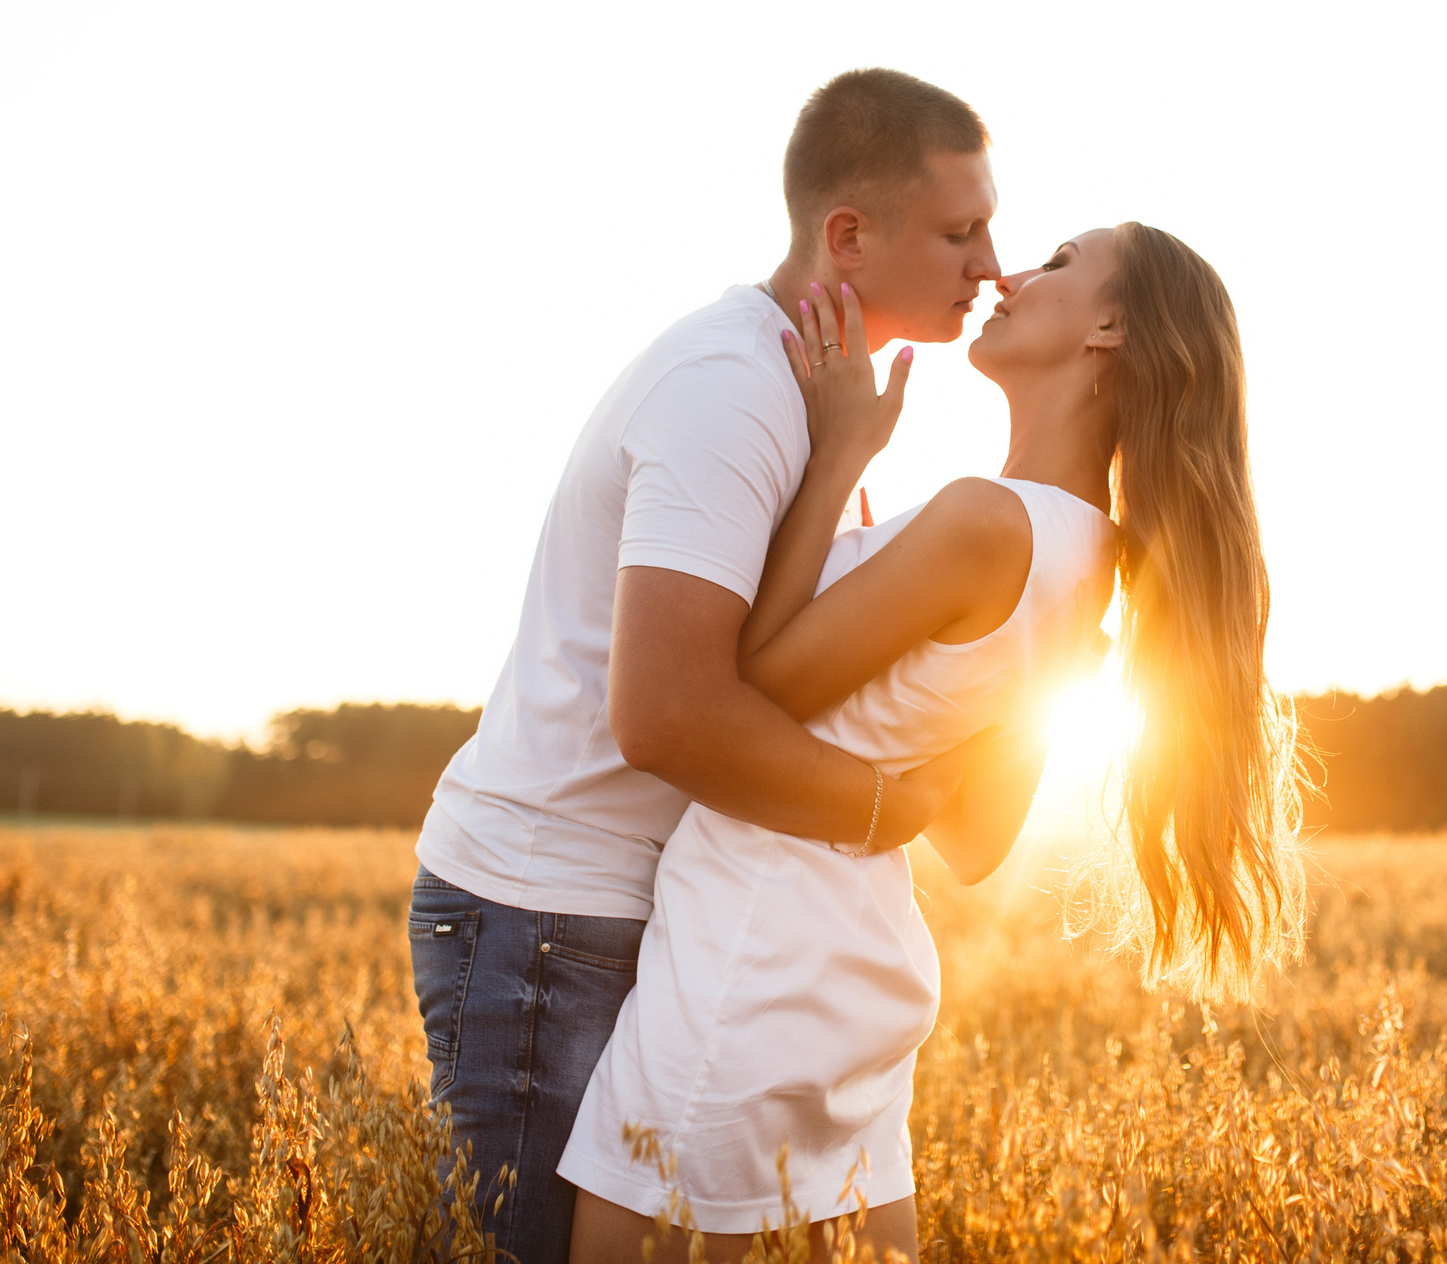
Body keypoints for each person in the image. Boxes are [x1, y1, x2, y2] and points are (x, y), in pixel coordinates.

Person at [561, 224, 1308, 1264]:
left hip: (743, 960)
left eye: (1057, 262)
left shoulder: (983, 523)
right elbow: (974, 840)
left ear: (1108, 328)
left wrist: (835, 460)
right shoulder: (1090, 567)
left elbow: (741, 689)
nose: (1009, 273)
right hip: (860, 983)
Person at [408, 69, 1004, 1264]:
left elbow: (773, 668)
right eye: (959, 230)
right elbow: (670, 715)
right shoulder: (731, 392)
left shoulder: (814, 403)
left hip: (622, 907)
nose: (990, 263)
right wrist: (888, 810)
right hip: (544, 912)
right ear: (847, 234)